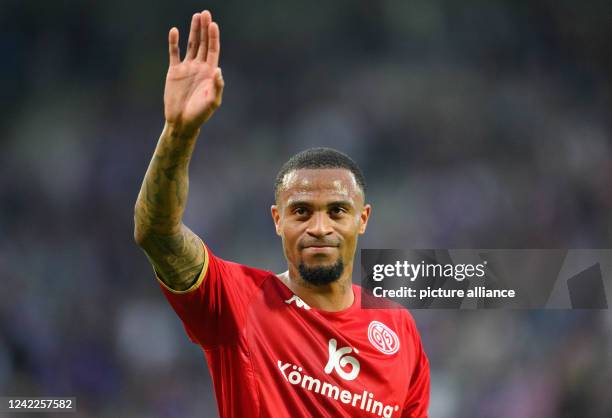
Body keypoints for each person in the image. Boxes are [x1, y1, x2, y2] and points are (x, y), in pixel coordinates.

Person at [134, 10, 429, 418]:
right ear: (277, 220)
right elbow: (157, 233)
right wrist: (178, 133)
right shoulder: (238, 304)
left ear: (363, 219)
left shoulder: (399, 330)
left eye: (338, 211)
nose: (319, 227)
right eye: (302, 211)